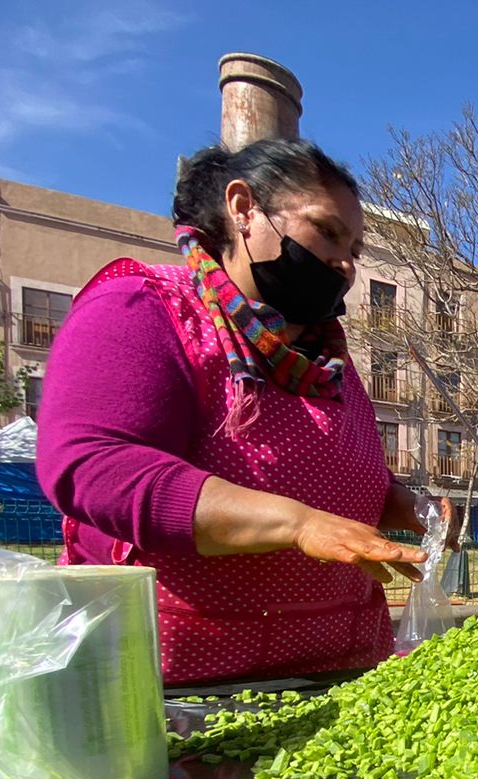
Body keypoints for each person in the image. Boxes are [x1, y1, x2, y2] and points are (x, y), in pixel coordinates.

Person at [36, 139, 427, 686]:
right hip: (188, 686)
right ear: (243, 209)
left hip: (343, 680)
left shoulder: (328, 362)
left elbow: (333, 477)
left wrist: (402, 504)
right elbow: (95, 467)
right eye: (327, 232)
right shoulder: (144, 307)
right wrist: (296, 525)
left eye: (355, 250)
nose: (344, 264)